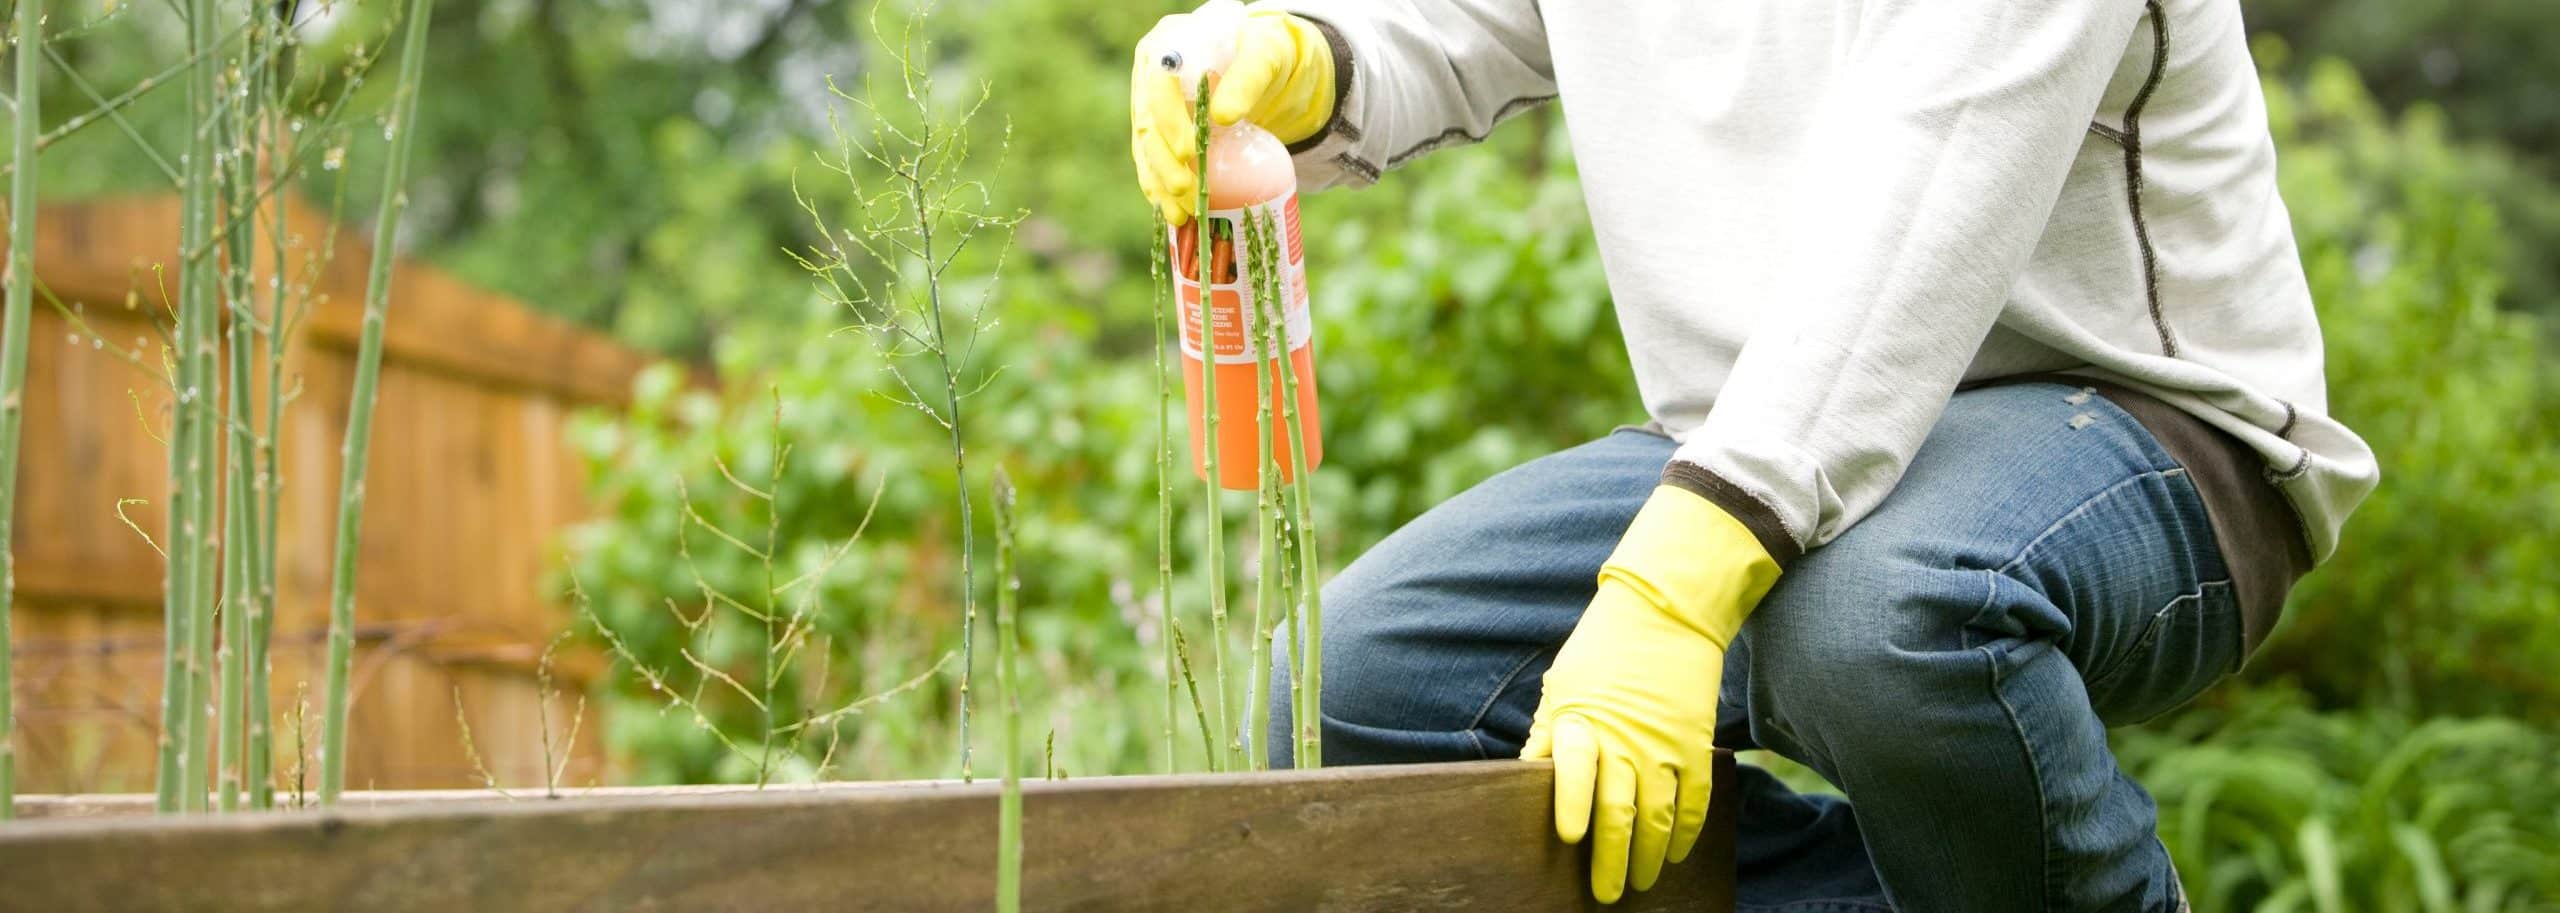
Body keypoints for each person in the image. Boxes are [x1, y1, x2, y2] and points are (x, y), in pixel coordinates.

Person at [1128, 0, 2377, 908]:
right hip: (1748, 434)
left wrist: (1674, 588)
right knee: (1350, 701)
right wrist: (1302, 60)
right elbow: (1465, 23)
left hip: (2141, 430)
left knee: (1873, 621)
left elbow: (1924, 209)